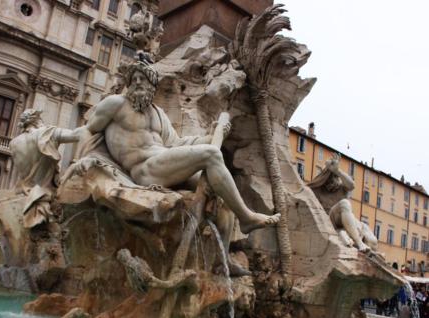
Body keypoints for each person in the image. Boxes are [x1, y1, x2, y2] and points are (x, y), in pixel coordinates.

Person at [74, 60, 280, 234]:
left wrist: (213, 135)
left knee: (222, 200)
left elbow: (177, 145)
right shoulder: (116, 104)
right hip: (144, 170)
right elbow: (88, 130)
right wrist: (84, 160)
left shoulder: (159, 114)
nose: (137, 82)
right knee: (211, 155)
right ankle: (247, 217)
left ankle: (221, 261)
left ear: (151, 85)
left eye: (142, 79)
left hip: (163, 163)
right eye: (133, 79)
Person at [309, 154, 377, 253]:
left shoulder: (342, 187)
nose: (331, 182)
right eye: (329, 178)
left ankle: (352, 239)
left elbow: (352, 185)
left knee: (368, 234)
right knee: (344, 203)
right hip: (330, 220)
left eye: (334, 178)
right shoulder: (318, 190)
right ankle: (359, 242)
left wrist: (337, 170)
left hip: (344, 222)